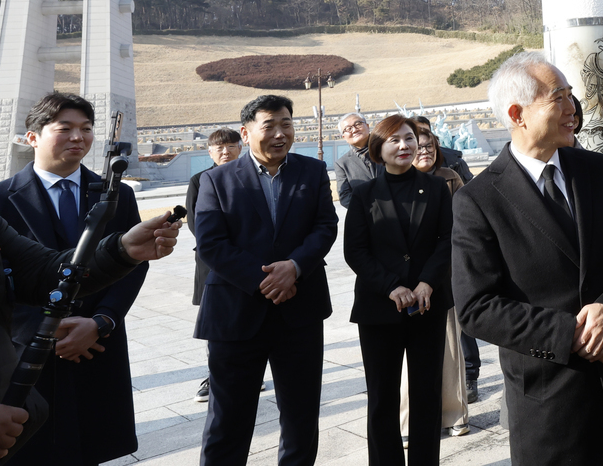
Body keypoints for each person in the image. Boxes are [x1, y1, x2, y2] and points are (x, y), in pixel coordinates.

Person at [451, 51, 603, 466]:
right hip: (553, 399)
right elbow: (477, 308)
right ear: (518, 113)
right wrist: (574, 333)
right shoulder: (478, 200)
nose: (574, 109)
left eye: (572, 95)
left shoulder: (595, 169)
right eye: (560, 98)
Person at [0, 93, 149, 466]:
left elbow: (51, 269)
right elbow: (4, 288)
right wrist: (47, 330)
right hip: (26, 354)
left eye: (86, 129)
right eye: (64, 128)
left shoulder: (116, 194)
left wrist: (101, 320)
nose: (77, 137)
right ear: (31, 137)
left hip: (97, 345)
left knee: (91, 444)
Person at [194, 95, 339, 466]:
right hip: (235, 314)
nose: (280, 133)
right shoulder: (215, 180)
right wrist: (265, 280)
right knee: (228, 418)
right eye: (269, 125)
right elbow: (210, 244)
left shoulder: (313, 171)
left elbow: (325, 226)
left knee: (301, 416)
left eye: (286, 124)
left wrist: (294, 266)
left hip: (300, 311)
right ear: (246, 132)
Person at [344, 115, 453, 466]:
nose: (405, 146)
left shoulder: (436, 188)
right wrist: (392, 286)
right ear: (378, 149)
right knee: (381, 397)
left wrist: (426, 282)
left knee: (426, 394)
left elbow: (449, 240)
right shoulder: (363, 195)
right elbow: (355, 251)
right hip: (379, 308)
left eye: (409, 139)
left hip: (426, 305)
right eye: (395, 140)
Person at [406, 128, 469, 438]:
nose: (424, 151)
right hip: (405, 283)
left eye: (429, 146)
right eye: (418, 146)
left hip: (444, 273)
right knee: (407, 357)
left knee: (450, 349)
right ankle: (408, 421)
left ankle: (454, 415)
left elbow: (460, 227)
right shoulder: (392, 182)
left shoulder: (449, 177)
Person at [186, 128, 242, 403]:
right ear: (209, 152)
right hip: (214, 263)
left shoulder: (251, 177)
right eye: (219, 148)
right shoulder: (200, 180)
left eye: (231, 146)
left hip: (250, 262)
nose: (225, 152)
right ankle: (215, 376)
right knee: (217, 325)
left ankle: (249, 376)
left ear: (240, 147)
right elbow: (196, 224)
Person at [335, 112, 377, 208]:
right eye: (348, 129)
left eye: (358, 124)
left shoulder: (387, 149)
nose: (354, 130)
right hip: (367, 217)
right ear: (344, 136)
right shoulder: (342, 164)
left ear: (367, 126)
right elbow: (345, 197)